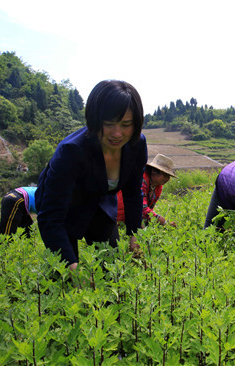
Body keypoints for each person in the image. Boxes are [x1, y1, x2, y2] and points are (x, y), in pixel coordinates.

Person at [35, 80, 148, 270]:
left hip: (101, 206)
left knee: (112, 269)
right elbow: (51, 217)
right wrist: (72, 268)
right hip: (64, 211)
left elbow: (133, 193)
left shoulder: (136, 145)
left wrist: (135, 234)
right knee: (65, 277)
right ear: (95, 121)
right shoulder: (71, 152)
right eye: (109, 124)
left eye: (126, 124)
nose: (117, 133)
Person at [117, 154, 177, 227]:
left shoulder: (158, 187)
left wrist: (163, 223)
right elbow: (140, 207)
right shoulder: (140, 180)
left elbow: (149, 210)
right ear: (154, 171)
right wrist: (160, 220)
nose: (167, 179)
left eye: (168, 176)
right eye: (165, 175)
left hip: (133, 217)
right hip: (119, 215)